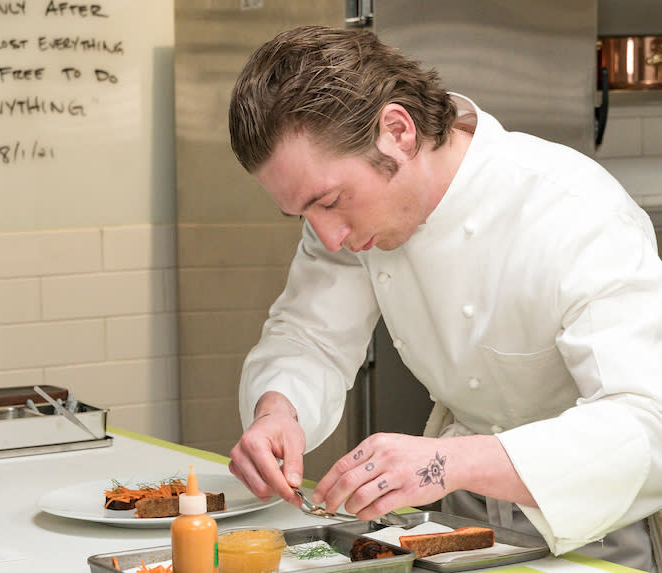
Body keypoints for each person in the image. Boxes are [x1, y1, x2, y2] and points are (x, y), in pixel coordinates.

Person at [226, 25, 662, 570]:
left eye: (332, 201)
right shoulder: (348, 225)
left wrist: (445, 461)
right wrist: (278, 411)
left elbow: (646, 431)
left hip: (593, 535)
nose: (328, 234)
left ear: (397, 131)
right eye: (304, 215)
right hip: (457, 527)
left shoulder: (576, 211)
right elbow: (308, 335)